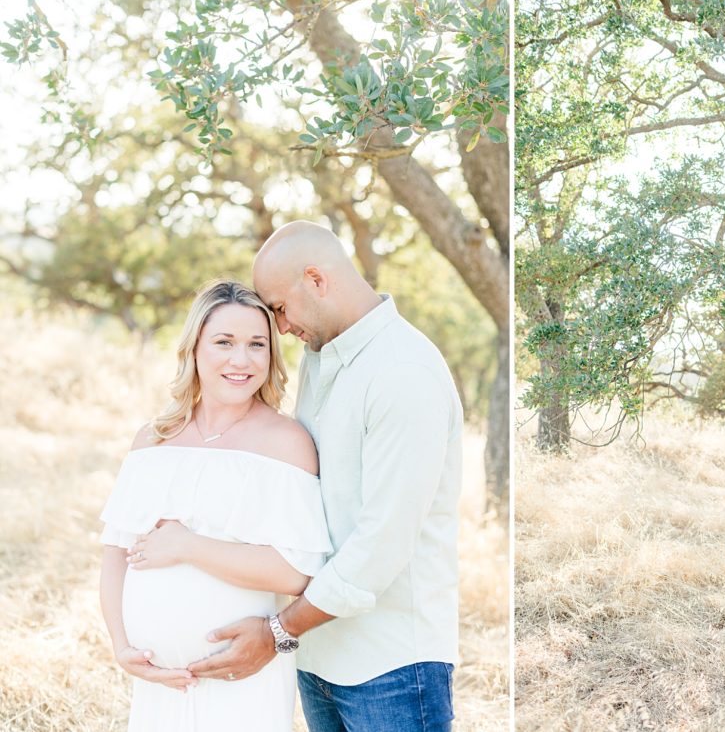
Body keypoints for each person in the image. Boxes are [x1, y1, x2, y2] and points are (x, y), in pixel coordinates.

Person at [184, 221, 463, 732]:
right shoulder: (322, 356)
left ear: (315, 279)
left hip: (392, 668)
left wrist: (277, 631)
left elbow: (381, 544)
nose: (281, 328)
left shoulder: (402, 373)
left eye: (280, 308)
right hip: (316, 656)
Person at [98, 279, 332, 731]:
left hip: (241, 678)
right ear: (195, 348)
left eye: (256, 345)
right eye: (224, 342)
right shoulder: (153, 439)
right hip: (158, 682)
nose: (240, 360)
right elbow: (115, 553)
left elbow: (296, 571)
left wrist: (189, 546)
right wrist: (122, 645)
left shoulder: (286, 443)